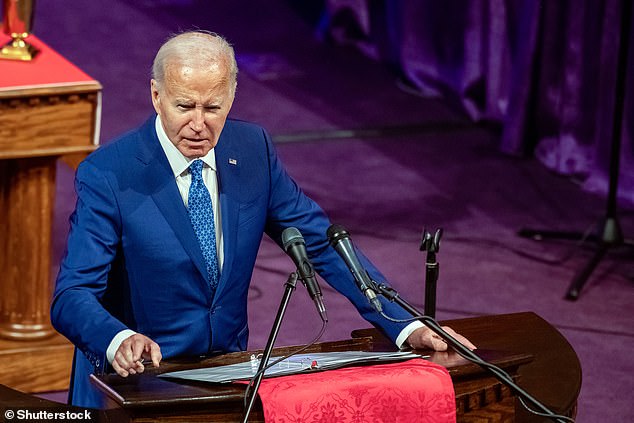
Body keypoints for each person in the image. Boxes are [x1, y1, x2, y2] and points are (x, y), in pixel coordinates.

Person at [51, 31, 475, 408]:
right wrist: (119, 340)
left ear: (232, 96)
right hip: (138, 385)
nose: (198, 124)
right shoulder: (109, 173)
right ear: (156, 95)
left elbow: (322, 242)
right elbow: (71, 295)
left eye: (213, 107)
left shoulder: (253, 149)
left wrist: (406, 326)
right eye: (184, 106)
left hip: (228, 378)